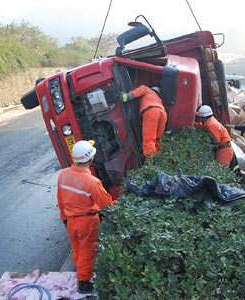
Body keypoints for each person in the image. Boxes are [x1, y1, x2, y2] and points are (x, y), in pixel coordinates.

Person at [57, 140, 116, 294]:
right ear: (90, 159)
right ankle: (84, 282)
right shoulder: (92, 182)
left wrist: (64, 218)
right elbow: (107, 204)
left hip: (70, 221)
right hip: (87, 222)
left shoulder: (63, 174)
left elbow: (60, 199)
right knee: (88, 251)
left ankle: (79, 270)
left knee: (77, 248)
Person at [120, 85, 167, 158]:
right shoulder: (158, 98)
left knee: (149, 140)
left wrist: (124, 96)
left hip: (151, 111)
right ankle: (160, 160)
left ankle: (152, 163)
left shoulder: (146, 88)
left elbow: (135, 93)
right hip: (163, 113)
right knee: (157, 140)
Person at [196, 105, 239, 173]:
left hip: (224, 151)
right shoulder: (210, 121)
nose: (199, 118)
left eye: (200, 117)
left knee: (220, 171)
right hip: (224, 149)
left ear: (203, 117)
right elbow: (202, 125)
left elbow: (216, 141)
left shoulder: (211, 125)